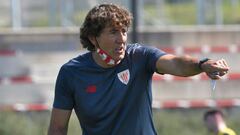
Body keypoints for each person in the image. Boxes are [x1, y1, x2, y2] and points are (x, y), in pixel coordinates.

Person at [48, 3, 229, 135]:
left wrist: (201, 64)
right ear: (93, 38)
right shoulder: (71, 73)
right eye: (113, 32)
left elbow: (176, 63)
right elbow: (58, 128)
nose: (122, 39)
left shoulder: (140, 56)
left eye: (124, 31)